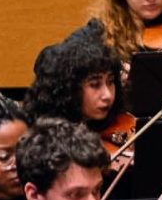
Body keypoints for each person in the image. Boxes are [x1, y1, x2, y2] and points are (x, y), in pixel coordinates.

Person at [24, 28, 132, 166]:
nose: (107, 95)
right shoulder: (42, 143)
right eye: (95, 84)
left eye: (110, 82)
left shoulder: (112, 122)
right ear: (69, 87)